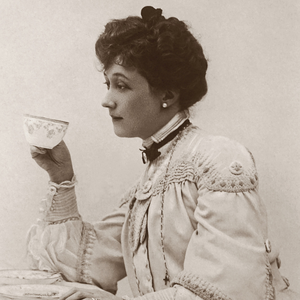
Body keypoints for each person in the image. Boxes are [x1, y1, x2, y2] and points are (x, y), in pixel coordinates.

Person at [26, 6, 299, 300]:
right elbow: (85, 265)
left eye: (121, 85)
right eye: (108, 84)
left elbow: (226, 291)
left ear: (167, 95)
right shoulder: (150, 183)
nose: (107, 100)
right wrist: (61, 175)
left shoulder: (218, 161)